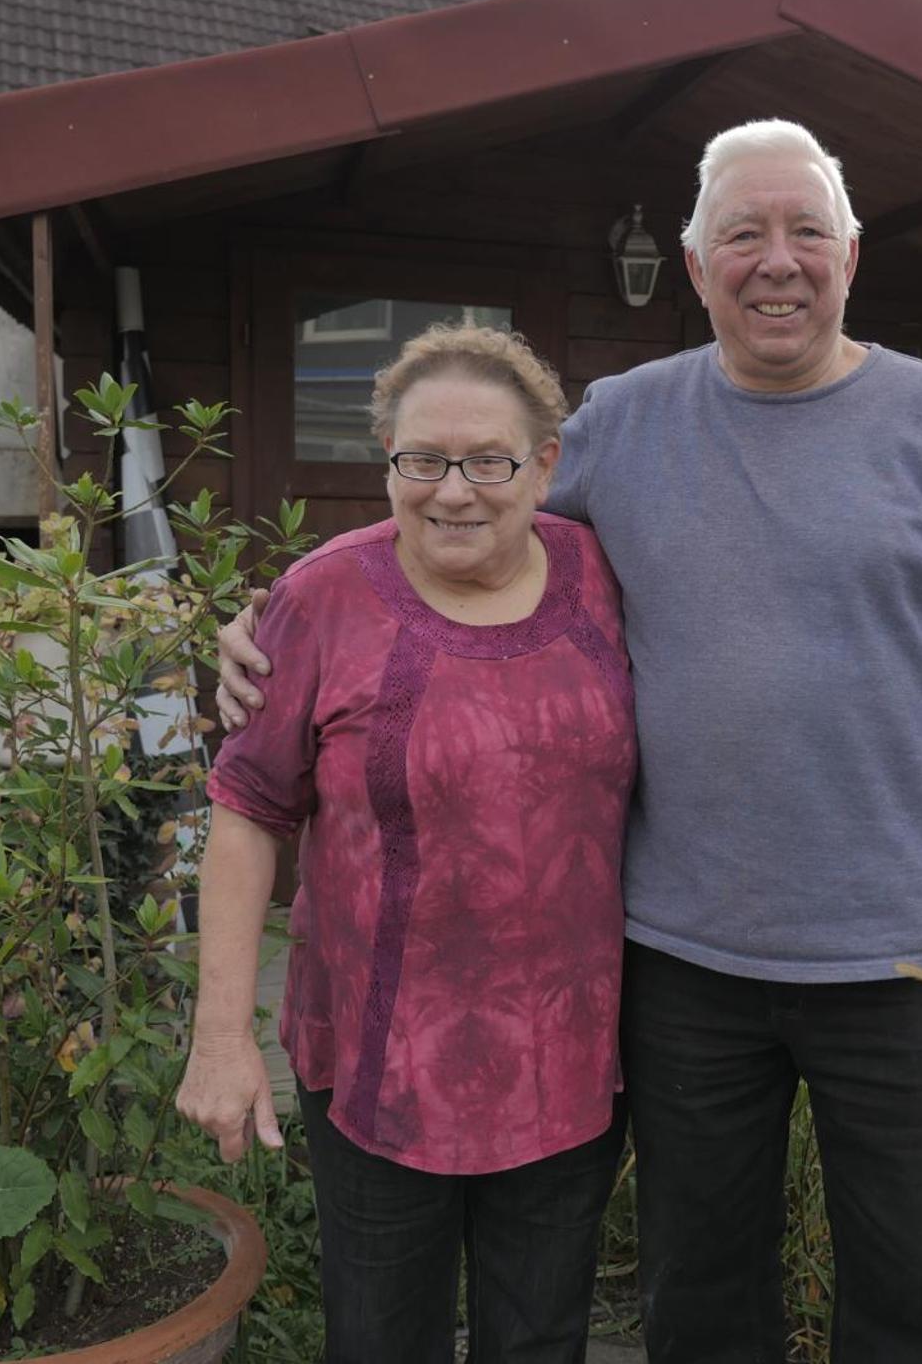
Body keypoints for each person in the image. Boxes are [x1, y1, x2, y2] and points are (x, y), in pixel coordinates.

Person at [217, 120, 922, 1363]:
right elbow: (453, 528)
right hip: (684, 961)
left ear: (852, 253)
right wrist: (265, 625)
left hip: (909, 962)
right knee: (700, 1297)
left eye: (803, 233)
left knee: (903, 1302)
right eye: (744, 233)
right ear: (696, 264)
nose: (774, 261)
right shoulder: (622, 424)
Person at [177, 324, 637, 1364]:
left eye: (489, 461)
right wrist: (221, 1036)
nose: (454, 491)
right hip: (379, 1068)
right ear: (388, 461)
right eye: (422, 461)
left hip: (568, 1065)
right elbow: (248, 810)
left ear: (547, 463)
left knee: (540, 1344)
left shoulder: (605, 577)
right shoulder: (322, 598)